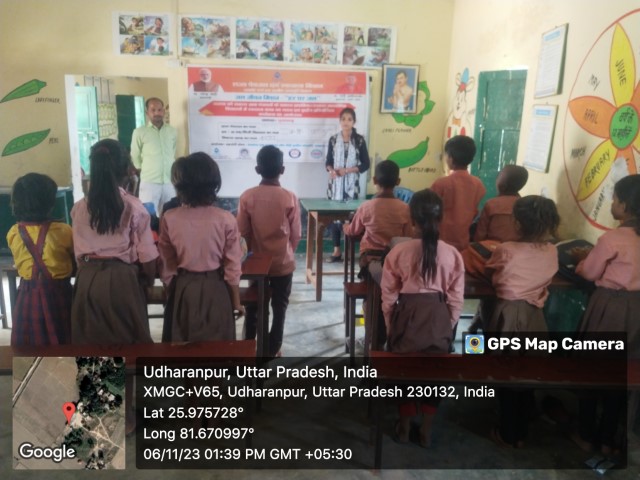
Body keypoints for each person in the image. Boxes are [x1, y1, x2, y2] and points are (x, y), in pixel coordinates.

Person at [381, 189, 464, 447]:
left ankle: (405, 428)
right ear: (441, 219)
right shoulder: (452, 254)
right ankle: (426, 430)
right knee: (434, 374)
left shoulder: (399, 251)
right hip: (438, 317)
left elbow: (388, 295)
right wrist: (447, 325)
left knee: (404, 372)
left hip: (407, 316)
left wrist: (391, 325)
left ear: (411, 220)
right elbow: (456, 299)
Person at [571, 174, 640, 455]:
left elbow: (590, 273)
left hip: (611, 307)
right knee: (624, 373)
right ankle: (611, 439)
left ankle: (587, 435)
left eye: (614, 199)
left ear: (625, 205)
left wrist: (581, 261)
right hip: (637, 311)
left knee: (594, 369)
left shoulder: (613, 238)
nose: (612, 204)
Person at [484, 195, 560, 448]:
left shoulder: (506, 249)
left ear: (516, 223)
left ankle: (510, 434)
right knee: (528, 368)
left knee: (506, 373)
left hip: (508, 315)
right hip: (535, 315)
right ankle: (525, 420)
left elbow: (490, 272)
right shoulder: (552, 250)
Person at [71, 139, 158, 345]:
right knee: (128, 342)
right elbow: (147, 255)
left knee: (91, 345)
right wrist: (148, 280)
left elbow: (78, 252)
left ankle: (100, 369)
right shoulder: (133, 206)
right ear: (127, 170)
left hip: (87, 279)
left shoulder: (79, 208)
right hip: (122, 279)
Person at [159, 152, 245, 342]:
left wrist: (171, 293)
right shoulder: (226, 219)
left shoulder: (170, 218)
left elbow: (167, 265)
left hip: (183, 288)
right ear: (213, 184)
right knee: (216, 349)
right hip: (216, 290)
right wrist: (236, 302)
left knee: (181, 346)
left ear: (180, 186)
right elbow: (232, 267)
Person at [236, 145, 301, 356]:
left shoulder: (247, 197)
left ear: (257, 169)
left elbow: (242, 234)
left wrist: (249, 258)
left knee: (255, 305)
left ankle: (248, 345)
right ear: (282, 170)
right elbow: (296, 234)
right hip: (283, 264)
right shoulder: (290, 197)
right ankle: (272, 348)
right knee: (280, 306)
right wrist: (287, 252)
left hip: (256, 265)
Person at [7, 173, 74, 346]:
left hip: (27, 297)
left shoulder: (14, 232)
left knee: (29, 347)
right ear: (50, 202)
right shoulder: (64, 231)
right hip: (59, 295)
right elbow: (74, 261)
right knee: (65, 344)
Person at [325, 107, 370, 262]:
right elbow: (328, 162)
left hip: (352, 185)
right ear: (340, 121)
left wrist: (348, 171)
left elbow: (365, 164)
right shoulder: (333, 139)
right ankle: (336, 251)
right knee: (334, 217)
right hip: (335, 185)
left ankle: (349, 252)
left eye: (349, 119)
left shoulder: (359, 140)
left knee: (350, 217)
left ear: (354, 122)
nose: (346, 122)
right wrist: (331, 170)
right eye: (343, 119)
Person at [431, 135, 486, 251]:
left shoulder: (440, 184)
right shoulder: (478, 184)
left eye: (446, 155)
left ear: (450, 158)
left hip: (440, 241)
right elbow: (475, 212)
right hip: (463, 241)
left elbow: (429, 212)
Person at [130, 97, 177, 216]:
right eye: (153, 110)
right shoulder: (139, 132)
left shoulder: (172, 131)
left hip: (169, 181)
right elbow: (135, 155)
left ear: (164, 111)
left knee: (169, 215)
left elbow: (173, 152)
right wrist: (143, 169)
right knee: (148, 216)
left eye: (160, 110)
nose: (157, 113)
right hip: (149, 182)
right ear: (147, 113)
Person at [474, 164, 529, 242]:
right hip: (516, 247)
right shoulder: (525, 205)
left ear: (501, 185)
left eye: (499, 176)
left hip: (492, 246)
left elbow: (480, 233)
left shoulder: (491, 204)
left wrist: (476, 245)